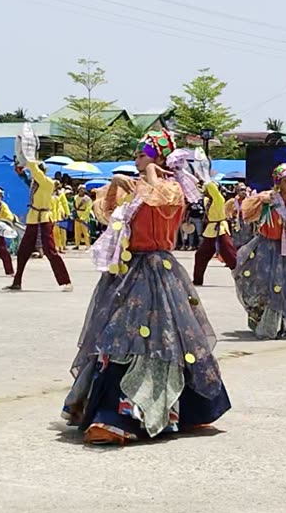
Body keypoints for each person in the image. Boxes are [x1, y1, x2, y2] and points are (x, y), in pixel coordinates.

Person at [64, 128, 231, 444]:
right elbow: (105, 213)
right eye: (138, 155)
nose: (138, 159)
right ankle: (110, 413)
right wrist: (115, 182)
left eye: (143, 154)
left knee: (161, 340)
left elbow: (165, 204)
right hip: (124, 272)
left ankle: (145, 414)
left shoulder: (172, 187)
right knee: (117, 338)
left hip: (155, 270)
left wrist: (153, 173)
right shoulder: (135, 188)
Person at [233, 164, 286, 339]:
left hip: (285, 251)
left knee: (284, 287)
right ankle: (259, 318)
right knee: (261, 285)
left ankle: (280, 323)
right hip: (264, 247)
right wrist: (260, 201)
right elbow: (246, 214)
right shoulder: (269, 200)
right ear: (278, 184)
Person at [7, 158, 73, 292]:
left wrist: (28, 158)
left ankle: (66, 282)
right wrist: (20, 172)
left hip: (44, 219)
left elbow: (34, 171)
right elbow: (27, 179)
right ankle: (17, 281)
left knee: (50, 251)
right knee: (23, 251)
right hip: (33, 219)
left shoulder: (47, 182)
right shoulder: (36, 183)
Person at [193, 177, 238, 285]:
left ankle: (244, 278)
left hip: (220, 229)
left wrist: (207, 179)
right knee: (200, 255)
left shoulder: (219, 199)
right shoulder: (207, 201)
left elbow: (211, 188)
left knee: (231, 257)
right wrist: (197, 180)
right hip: (210, 230)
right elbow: (199, 189)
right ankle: (197, 280)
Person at [72, 186, 94, 250]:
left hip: (84, 216)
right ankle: (77, 244)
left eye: (83, 190)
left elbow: (88, 209)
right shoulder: (75, 197)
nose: (81, 191)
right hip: (77, 215)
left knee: (85, 232)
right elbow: (74, 207)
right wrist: (75, 215)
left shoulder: (87, 199)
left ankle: (87, 245)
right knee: (77, 231)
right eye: (80, 189)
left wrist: (83, 217)